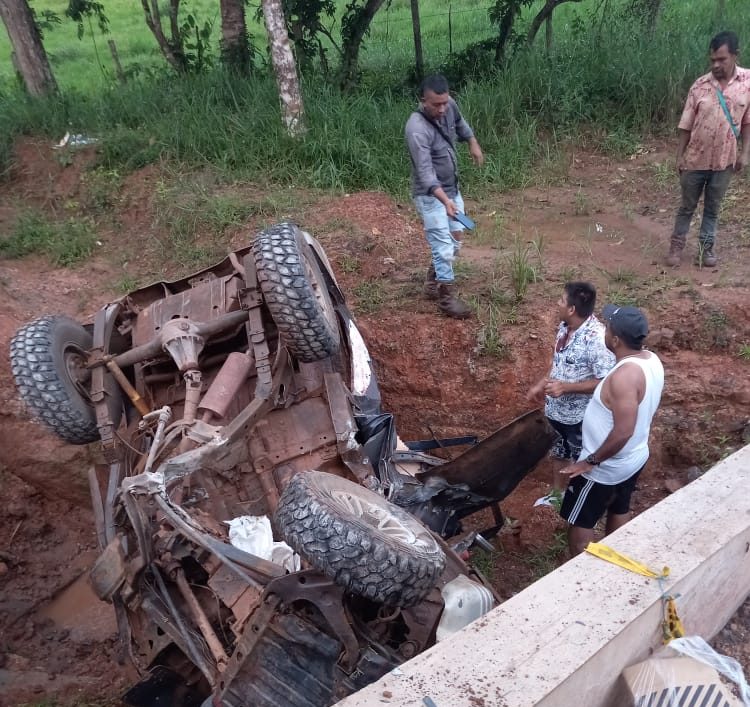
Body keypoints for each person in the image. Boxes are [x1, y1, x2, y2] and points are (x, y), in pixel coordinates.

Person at [559, 305, 664, 557]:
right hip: (634, 457)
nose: (603, 331)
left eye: (607, 328)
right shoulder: (650, 359)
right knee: (620, 506)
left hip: (605, 468)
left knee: (581, 521)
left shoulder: (623, 377)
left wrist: (590, 462)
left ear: (615, 340)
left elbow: (623, 431)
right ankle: (616, 557)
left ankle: (577, 572)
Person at [666, 30, 750, 268]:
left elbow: (747, 122)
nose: (716, 65)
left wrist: (745, 154)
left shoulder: (747, 84)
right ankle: (676, 246)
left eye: (722, 59)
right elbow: (686, 124)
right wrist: (679, 156)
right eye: (712, 59)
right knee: (686, 206)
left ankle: (706, 250)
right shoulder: (700, 86)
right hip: (695, 158)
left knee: (712, 208)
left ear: (735, 55)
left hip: (725, 160)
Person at [527, 282, 614, 507]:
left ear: (572, 309)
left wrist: (566, 388)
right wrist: (542, 383)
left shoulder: (597, 339)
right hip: (557, 412)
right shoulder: (565, 327)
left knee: (581, 460)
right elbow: (559, 362)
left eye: (562, 300)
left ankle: (578, 503)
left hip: (581, 418)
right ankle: (557, 496)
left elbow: (606, 381)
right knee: (558, 453)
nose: (558, 304)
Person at [405, 74, 484, 319]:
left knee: (456, 237)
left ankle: (431, 283)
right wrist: (445, 201)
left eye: (445, 103)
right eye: (436, 105)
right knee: (443, 246)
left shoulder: (450, 107)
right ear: (423, 101)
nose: (442, 109)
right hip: (430, 196)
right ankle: (446, 299)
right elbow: (426, 173)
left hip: (452, 188)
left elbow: (460, 123)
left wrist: (472, 142)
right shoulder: (416, 129)